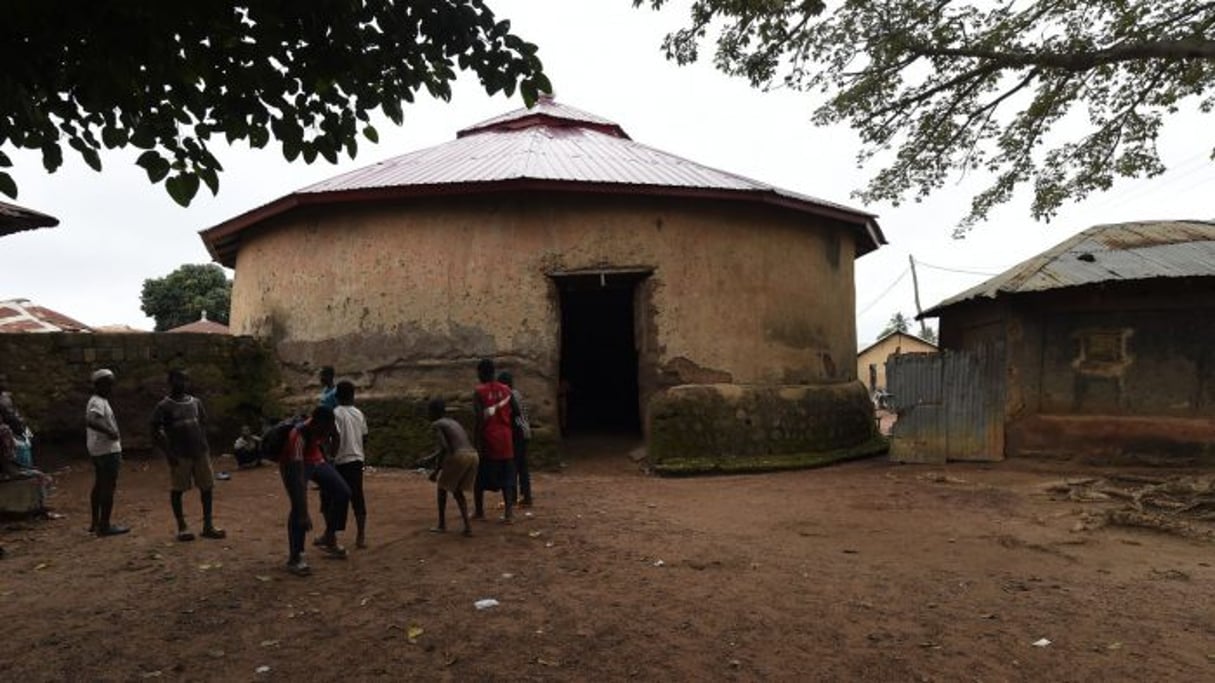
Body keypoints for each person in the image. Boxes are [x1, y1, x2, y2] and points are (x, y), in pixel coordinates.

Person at [150, 369, 225, 542]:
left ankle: (208, 525)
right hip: (179, 453)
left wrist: (203, 444)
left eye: (184, 380)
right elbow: (154, 430)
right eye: (177, 380)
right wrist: (168, 453)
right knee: (178, 489)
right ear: (170, 383)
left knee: (207, 487)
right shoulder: (164, 406)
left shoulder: (196, 402)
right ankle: (182, 526)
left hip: (200, 451)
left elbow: (203, 424)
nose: (181, 384)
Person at [277, 405, 351, 575]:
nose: (325, 434)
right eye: (323, 431)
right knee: (297, 506)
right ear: (315, 424)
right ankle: (296, 557)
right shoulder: (297, 436)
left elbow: (335, 436)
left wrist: (330, 458)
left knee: (343, 492)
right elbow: (298, 482)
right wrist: (303, 513)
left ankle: (329, 537)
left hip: (315, 458)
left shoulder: (327, 424)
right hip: (292, 463)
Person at [423, 398, 478, 536]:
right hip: (472, 455)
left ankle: (442, 524)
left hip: (459, 456)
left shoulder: (437, 424)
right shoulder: (453, 422)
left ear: (433, 412)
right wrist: (430, 458)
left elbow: (445, 448)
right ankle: (467, 527)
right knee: (457, 491)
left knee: (442, 488)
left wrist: (435, 471)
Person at [472, 358, 516, 523]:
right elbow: (516, 411)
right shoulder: (507, 390)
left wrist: (476, 443)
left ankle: (479, 511)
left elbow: (478, 420)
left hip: (489, 438)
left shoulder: (479, 392)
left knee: (479, 477)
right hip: (506, 438)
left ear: (482, 373)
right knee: (507, 477)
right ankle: (509, 514)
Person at [85, 369, 129, 536]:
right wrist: (110, 432)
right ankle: (105, 526)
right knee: (108, 486)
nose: (112, 387)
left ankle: (96, 522)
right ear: (100, 385)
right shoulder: (97, 402)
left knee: (99, 484)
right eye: (109, 384)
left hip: (98, 449)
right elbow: (91, 420)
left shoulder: (98, 400)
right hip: (107, 450)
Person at [332, 380, 369, 548]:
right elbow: (365, 436)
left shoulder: (336, 413)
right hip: (356, 459)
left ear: (337, 396)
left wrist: (331, 455)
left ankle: (332, 535)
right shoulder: (359, 413)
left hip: (341, 460)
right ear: (353, 396)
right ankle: (360, 535)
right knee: (357, 497)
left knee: (337, 497)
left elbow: (336, 438)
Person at [497, 371, 533, 508]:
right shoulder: (517, 393)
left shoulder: (509, 395)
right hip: (525, 432)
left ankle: (511, 499)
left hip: (517, 433)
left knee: (512, 466)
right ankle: (526, 497)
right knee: (522, 467)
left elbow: (514, 414)